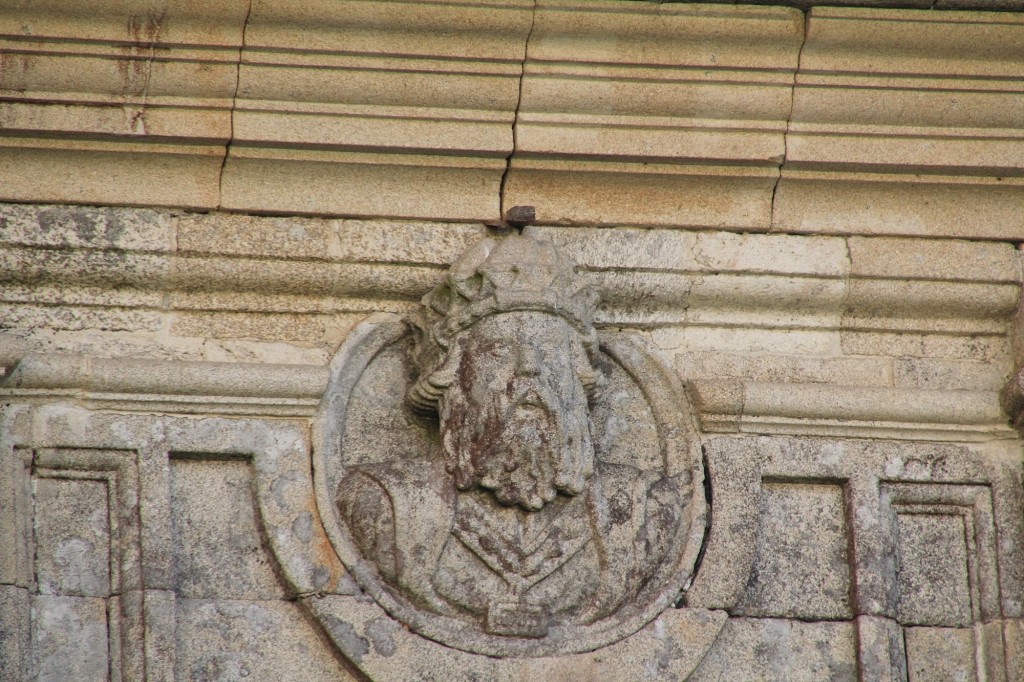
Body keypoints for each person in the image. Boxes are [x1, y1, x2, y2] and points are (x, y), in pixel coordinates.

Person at [336, 235, 682, 638]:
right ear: (455, 379)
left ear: (578, 377)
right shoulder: (386, 501)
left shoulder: (644, 507)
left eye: (550, 350)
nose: (530, 369)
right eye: (500, 349)